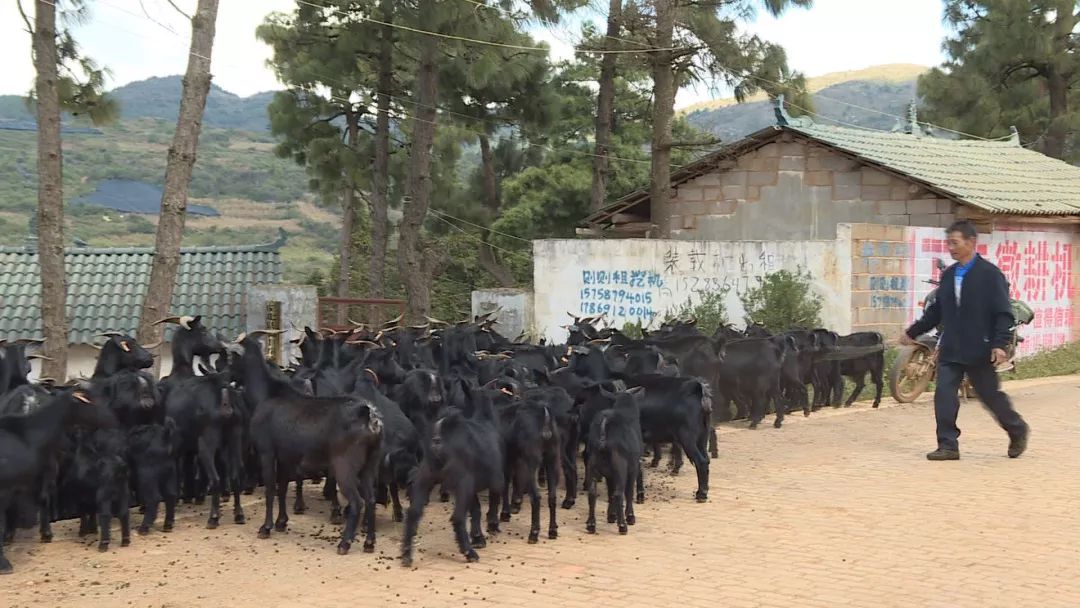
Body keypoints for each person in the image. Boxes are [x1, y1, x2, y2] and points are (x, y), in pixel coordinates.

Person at [900, 220, 1029, 461]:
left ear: (971, 242)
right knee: (944, 395)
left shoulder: (990, 275)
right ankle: (948, 445)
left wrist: (999, 344)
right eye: (948, 243)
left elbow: (1003, 312)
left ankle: (1017, 429)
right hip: (951, 348)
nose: (951, 248)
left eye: (955, 243)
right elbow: (936, 312)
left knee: (990, 397)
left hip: (980, 348)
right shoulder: (948, 275)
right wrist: (913, 332)